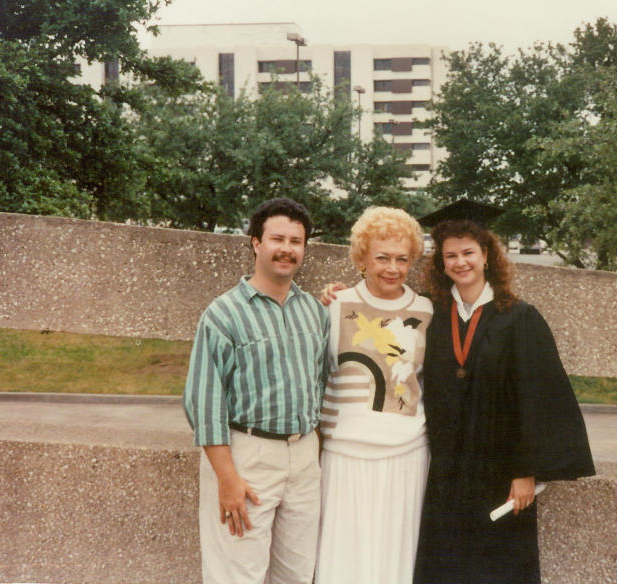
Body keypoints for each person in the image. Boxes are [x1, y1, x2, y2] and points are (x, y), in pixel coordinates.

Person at [413, 216, 595, 584]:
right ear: (440, 262)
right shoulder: (430, 312)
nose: (460, 262)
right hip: (445, 469)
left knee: (500, 567)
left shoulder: (517, 317)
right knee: (445, 565)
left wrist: (526, 472)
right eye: (450, 255)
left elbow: (537, 399)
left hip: (500, 471)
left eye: (468, 252)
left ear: (486, 256)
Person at [183, 197, 330, 584]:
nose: (287, 249)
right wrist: (226, 478)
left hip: (303, 458)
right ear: (255, 243)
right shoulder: (223, 314)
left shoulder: (314, 311)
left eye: (296, 242)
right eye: (277, 238)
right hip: (247, 457)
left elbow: (320, 382)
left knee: (296, 575)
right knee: (237, 574)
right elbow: (204, 401)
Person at [314, 206, 434, 584]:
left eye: (402, 259)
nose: (393, 268)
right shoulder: (333, 306)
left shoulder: (427, 310)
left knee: (395, 562)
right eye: (382, 257)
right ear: (362, 257)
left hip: (407, 454)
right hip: (344, 453)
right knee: (342, 561)